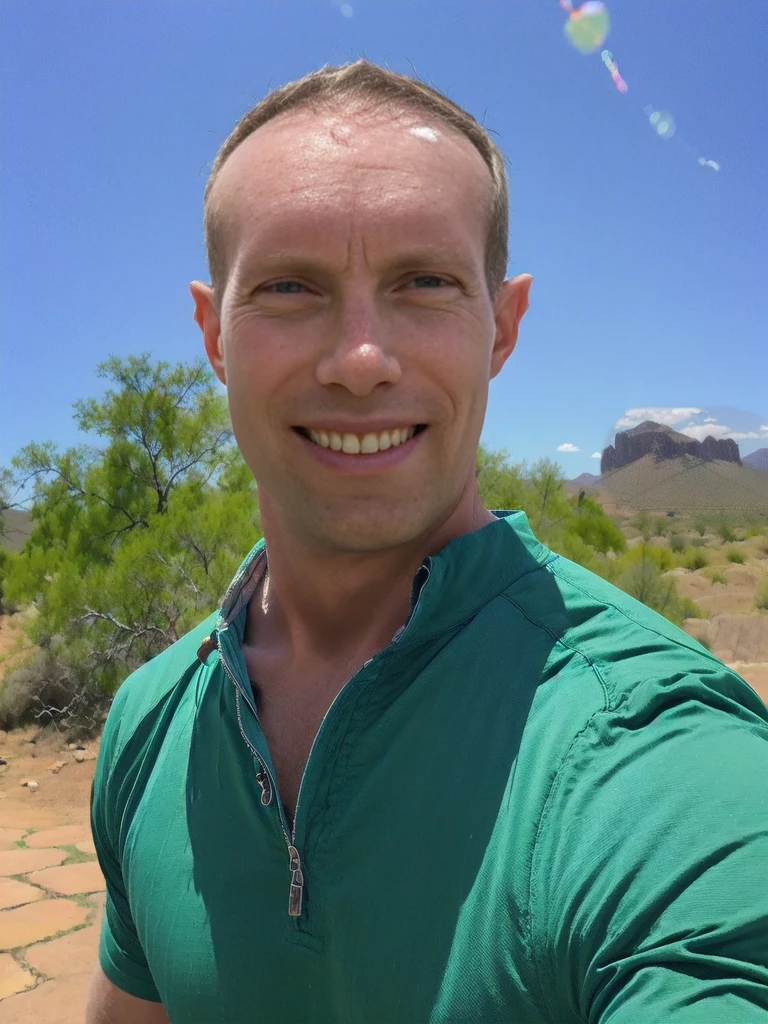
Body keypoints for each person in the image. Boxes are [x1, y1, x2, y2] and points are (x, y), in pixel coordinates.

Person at [85, 60, 768, 1024]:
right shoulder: (151, 723)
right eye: (288, 286)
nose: (361, 360)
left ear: (503, 325)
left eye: (426, 282)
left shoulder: (647, 750)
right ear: (213, 333)